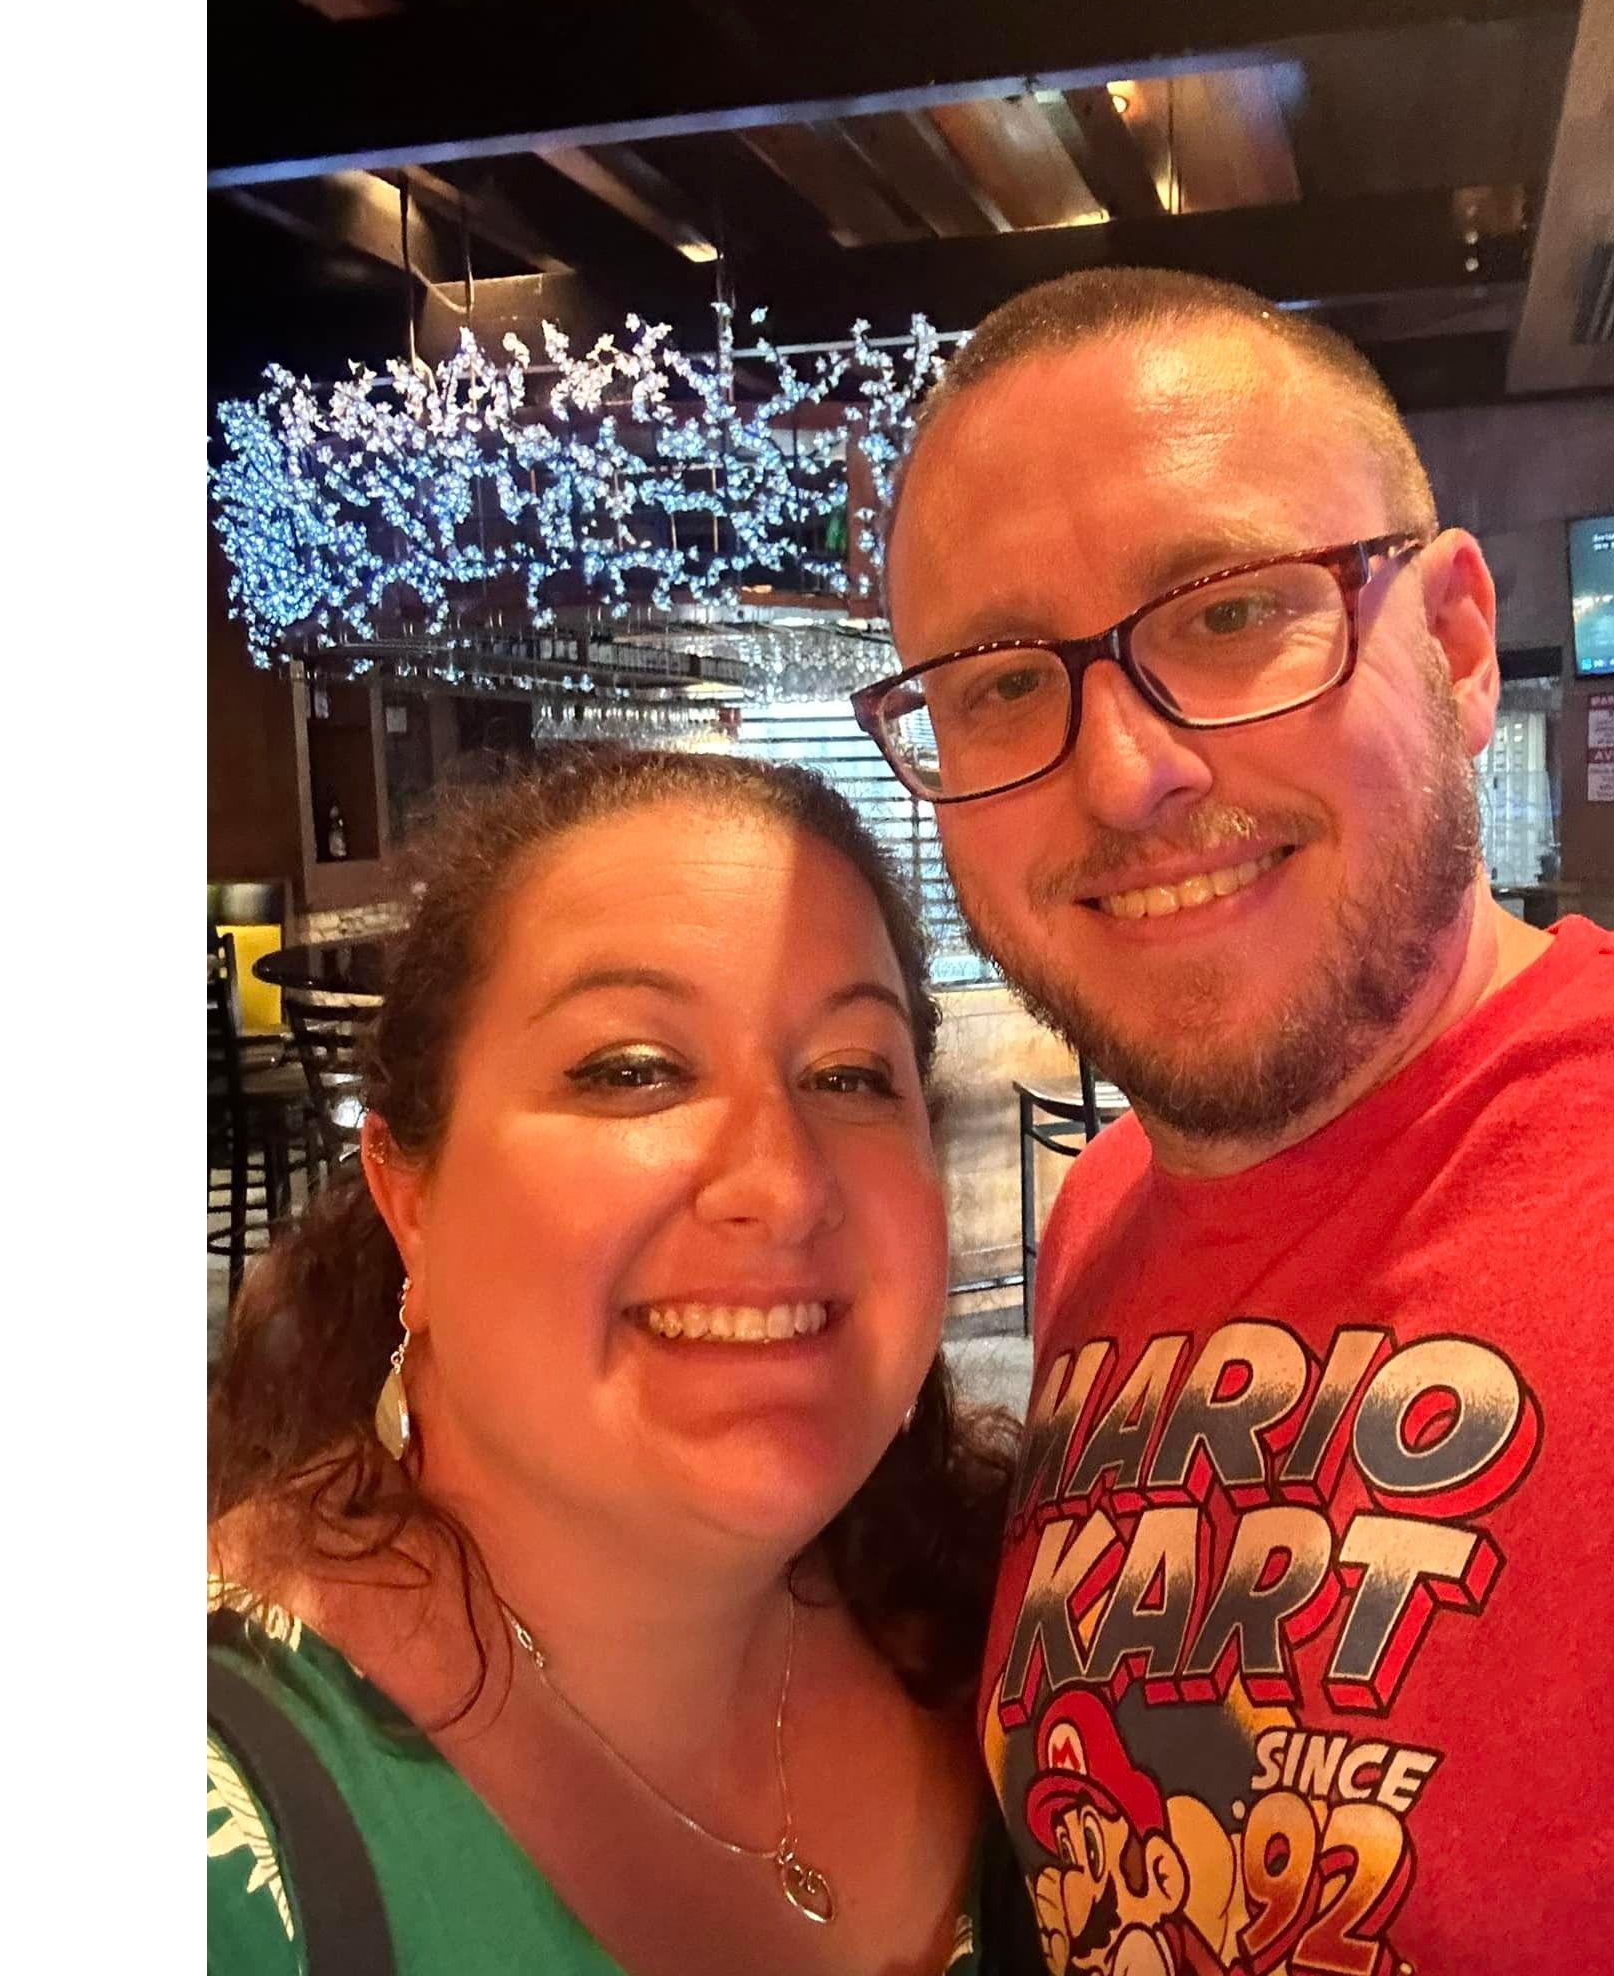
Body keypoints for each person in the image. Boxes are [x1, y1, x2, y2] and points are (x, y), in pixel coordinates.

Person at [860, 269, 1614, 1974]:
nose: (1126, 774)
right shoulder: (1107, 1213)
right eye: (998, 684)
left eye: (1230, 613)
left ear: (1456, 646)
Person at [208, 747, 1039, 1975]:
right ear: (409, 1196)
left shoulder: (1028, 1637)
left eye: (850, 1074)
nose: (782, 1184)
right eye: (633, 1071)